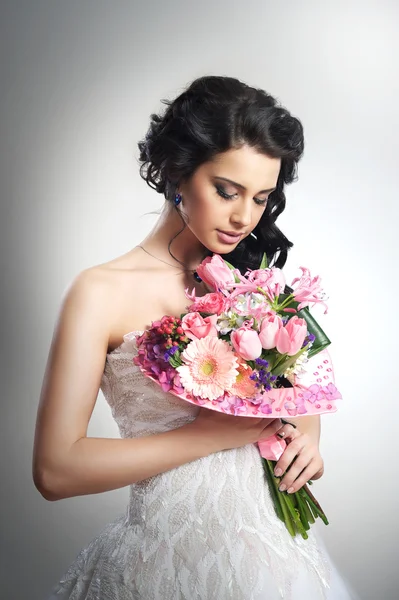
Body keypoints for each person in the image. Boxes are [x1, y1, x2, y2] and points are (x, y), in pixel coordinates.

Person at [33, 75, 358, 599]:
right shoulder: (100, 292)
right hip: (160, 566)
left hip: (276, 567)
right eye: (226, 191)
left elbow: (294, 404)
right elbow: (55, 469)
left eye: (261, 197)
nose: (244, 218)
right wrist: (215, 434)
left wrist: (308, 445)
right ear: (176, 172)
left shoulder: (258, 289)